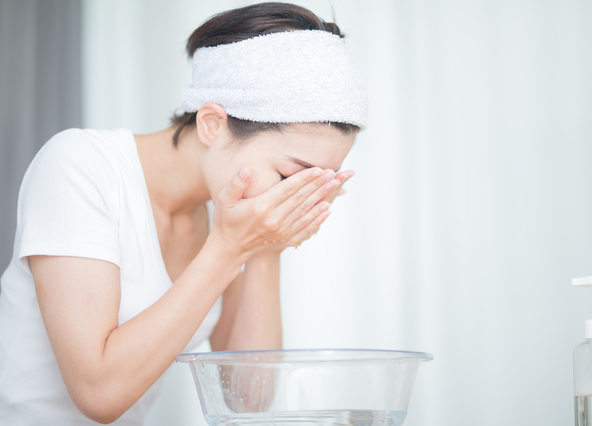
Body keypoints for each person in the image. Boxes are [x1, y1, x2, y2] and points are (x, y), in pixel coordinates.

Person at [0, 3, 368, 425]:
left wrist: (267, 251)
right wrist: (229, 249)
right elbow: (99, 394)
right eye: (290, 176)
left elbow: (248, 399)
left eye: (320, 183)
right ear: (212, 124)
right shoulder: (79, 167)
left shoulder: (225, 217)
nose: (298, 198)